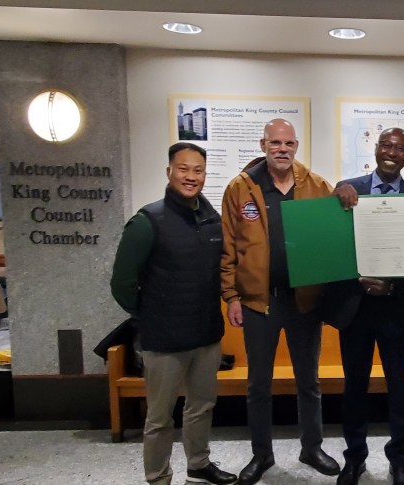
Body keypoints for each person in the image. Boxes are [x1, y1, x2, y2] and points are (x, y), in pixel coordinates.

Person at [221, 119, 357, 485]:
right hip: (258, 302)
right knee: (258, 385)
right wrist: (231, 295)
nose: (282, 149)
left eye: (289, 143)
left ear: (296, 145)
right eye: (275, 142)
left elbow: (337, 225)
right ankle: (261, 456)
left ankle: (311, 448)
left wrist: (346, 192)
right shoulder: (240, 188)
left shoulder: (315, 186)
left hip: (304, 302)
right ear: (263, 144)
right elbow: (228, 247)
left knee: (308, 381)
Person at [110, 142, 237, 485]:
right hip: (164, 340)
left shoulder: (213, 220)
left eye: (198, 170)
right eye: (183, 169)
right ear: (169, 172)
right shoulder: (147, 221)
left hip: (206, 335)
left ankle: (198, 464)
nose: (190, 177)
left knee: (201, 407)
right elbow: (121, 283)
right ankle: (158, 476)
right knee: (159, 417)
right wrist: (150, 313)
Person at [330, 128, 404, 485]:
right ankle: (354, 458)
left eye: (400, 148)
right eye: (386, 146)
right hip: (353, 310)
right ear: (376, 150)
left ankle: (399, 460)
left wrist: (394, 285)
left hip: (395, 310)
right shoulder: (347, 191)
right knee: (354, 387)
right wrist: (333, 197)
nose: (392, 152)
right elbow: (330, 240)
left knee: (399, 387)